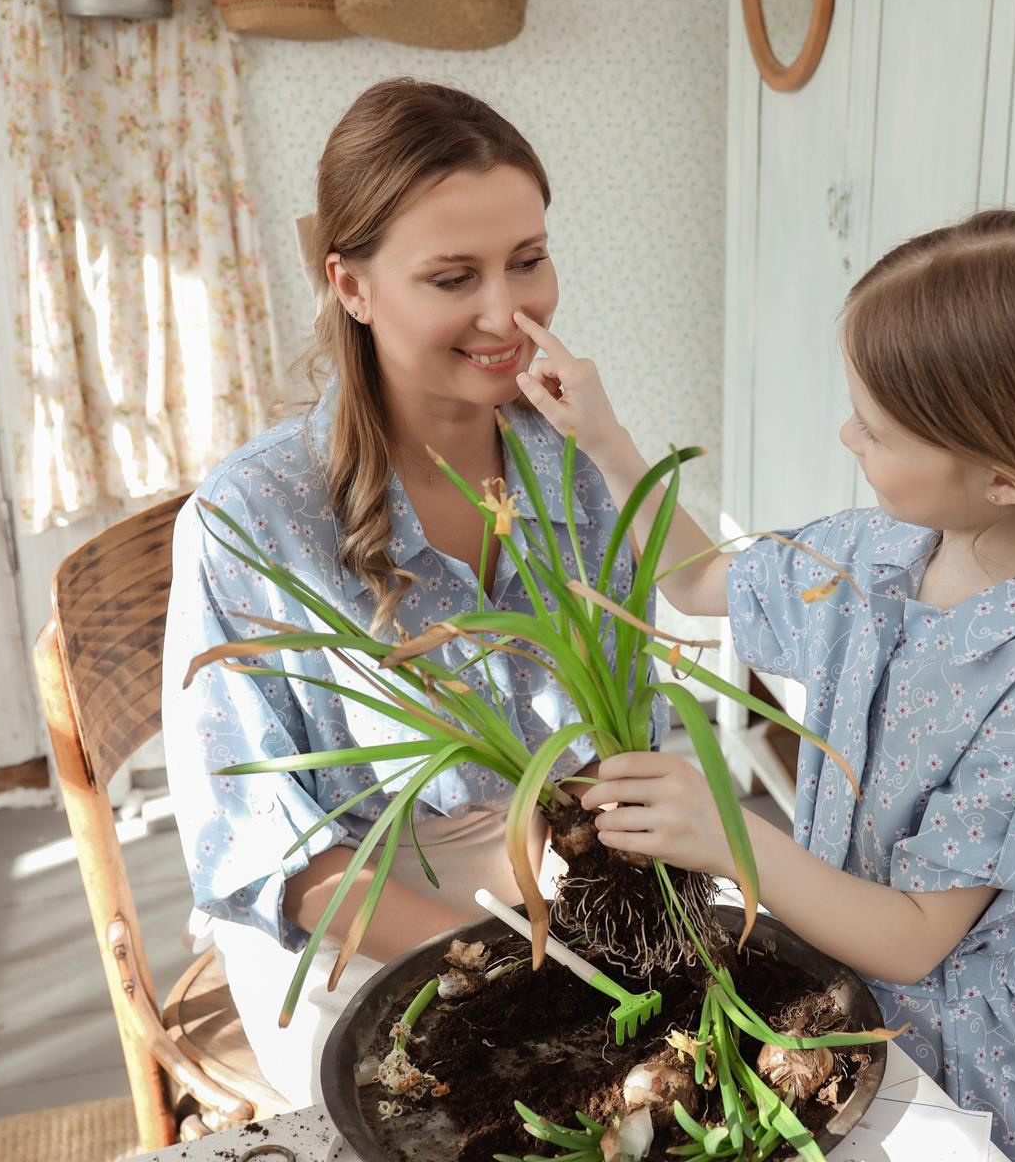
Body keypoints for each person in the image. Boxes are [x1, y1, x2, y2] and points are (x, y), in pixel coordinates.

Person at [514, 208, 1015, 1162]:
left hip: (934, 1060)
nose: (848, 432)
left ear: (1006, 478)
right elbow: (696, 581)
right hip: (822, 993)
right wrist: (606, 440)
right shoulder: (878, 553)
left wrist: (733, 837)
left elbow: (910, 945)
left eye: (881, 427)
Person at [161, 78, 656, 1105]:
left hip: (559, 884)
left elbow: (627, 730)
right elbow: (277, 854)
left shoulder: (566, 460)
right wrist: (524, 968)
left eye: (528, 260)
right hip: (357, 917)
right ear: (350, 285)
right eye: (451, 277)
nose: (505, 312)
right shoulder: (252, 518)